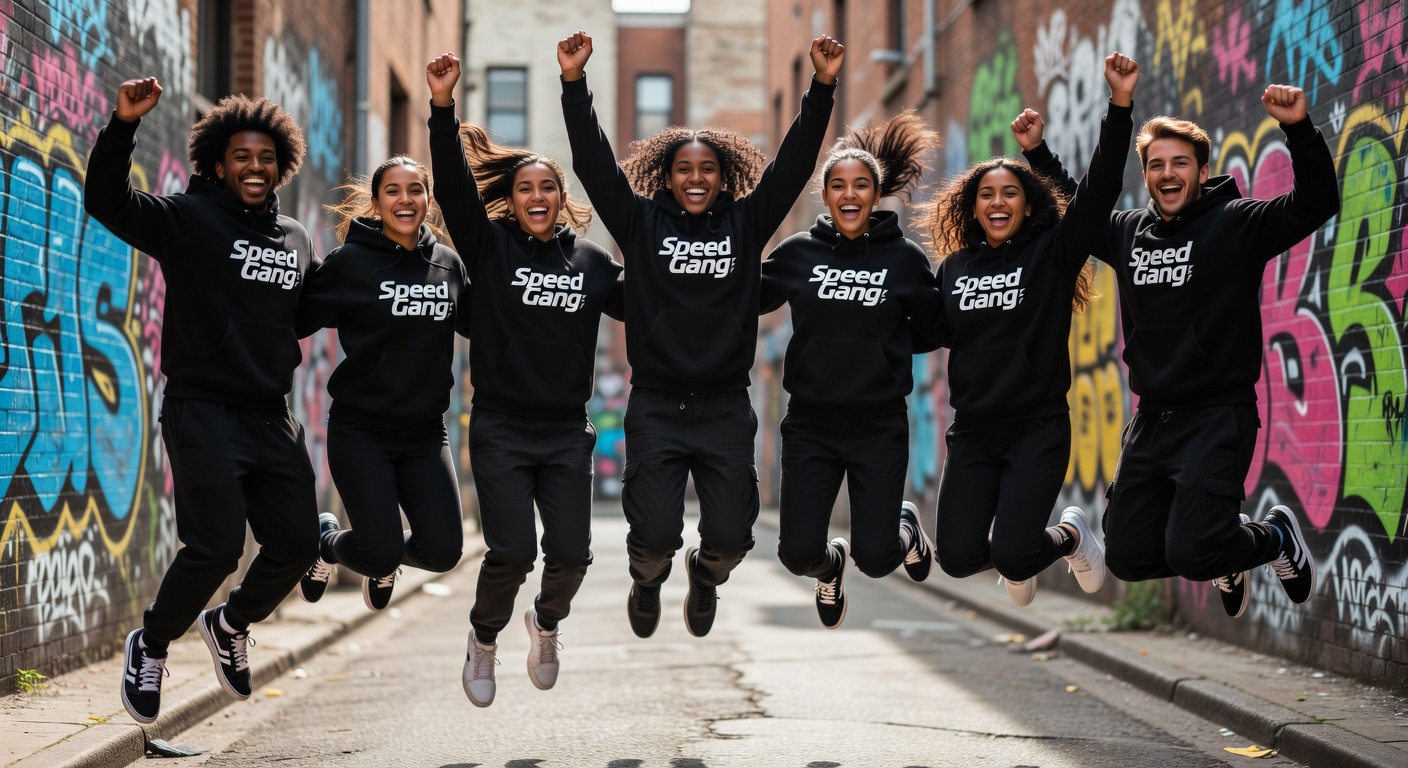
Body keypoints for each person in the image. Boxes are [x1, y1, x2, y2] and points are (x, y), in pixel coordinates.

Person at [558, 30, 842, 639]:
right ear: (666, 175)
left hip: (724, 407)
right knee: (655, 533)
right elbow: (593, 162)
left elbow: (792, 168)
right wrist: (574, 84)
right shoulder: (638, 222)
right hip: (657, 404)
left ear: (724, 178)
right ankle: (647, 577)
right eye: (683, 169)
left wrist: (820, 88)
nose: (694, 178)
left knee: (731, 538)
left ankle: (705, 577)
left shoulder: (746, 222)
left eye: (706, 170)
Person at [1018, 79, 1339, 617]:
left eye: (1180, 163)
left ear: (1202, 170)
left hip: (1217, 416)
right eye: (1157, 165)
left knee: (1192, 550)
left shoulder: (1234, 224)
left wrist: (1298, 128)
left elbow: (1315, 202)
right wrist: (1037, 154)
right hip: (1151, 423)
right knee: (1128, 555)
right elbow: (1083, 204)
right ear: (1145, 176)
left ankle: (1272, 539)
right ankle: (1222, 550)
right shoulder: (1126, 233)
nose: (1168, 173)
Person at [85, 78, 320, 723]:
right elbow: (107, 201)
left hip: (270, 415)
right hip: (203, 409)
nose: (255, 166)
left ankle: (231, 622)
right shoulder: (188, 219)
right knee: (214, 546)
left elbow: (307, 313)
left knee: (297, 542)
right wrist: (122, 126)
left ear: (281, 167)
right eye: (242, 156)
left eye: (266, 158)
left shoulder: (297, 240)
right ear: (218, 163)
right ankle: (152, 643)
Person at [425, 53, 625, 707]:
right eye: (526, 188)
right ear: (512, 201)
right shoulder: (492, 250)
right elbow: (454, 189)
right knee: (510, 552)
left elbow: (659, 305)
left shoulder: (594, 265)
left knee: (570, 554)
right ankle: (484, 639)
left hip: (567, 431)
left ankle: (546, 622)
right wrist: (440, 107)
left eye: (549, 188)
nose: (538, 197)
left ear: (563, 200)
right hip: (503, 429)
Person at [921, 53, 1140, 607]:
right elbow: (921, 330)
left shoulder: (1053, 252)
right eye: (986, 195)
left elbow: (1098, 190)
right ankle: (1048, 543)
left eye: (1010, 193)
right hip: (972, 432)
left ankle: (1069, 536)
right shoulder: (953, 269)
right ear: (971, 209)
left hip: (1036, 427)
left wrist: (1119, 106)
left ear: (1028, 204)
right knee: (958, 556)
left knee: (1017, 555)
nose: (997, 202)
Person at [760, 111, 941, 629]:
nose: (849, 193)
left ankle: (904, 529)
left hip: (878, 425)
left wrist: (887, 347)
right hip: (811, 424)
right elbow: (744, 300)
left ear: (876, 192)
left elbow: (934, 327)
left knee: (880, 559)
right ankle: (829, 565)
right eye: (837, 184)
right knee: (797, 553)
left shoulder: (904, 260)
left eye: (861, 184)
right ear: (825, 193)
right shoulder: (798, 254)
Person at [292, 154, 469, 616]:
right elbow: (294, 317)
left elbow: (483, 326)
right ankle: (333, 544)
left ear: (429, 201)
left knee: (445, 551)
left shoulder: (448, 264)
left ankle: (347, 548)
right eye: (392, 191)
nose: (405, 200)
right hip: (362, 431)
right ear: (376, 202)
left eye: (415, 191)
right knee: (382, 551)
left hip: (426, 435)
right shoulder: (351, 262)